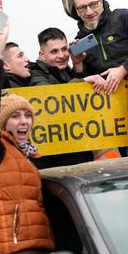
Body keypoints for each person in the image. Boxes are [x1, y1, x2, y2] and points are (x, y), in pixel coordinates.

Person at [0, 14, 55, 254]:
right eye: (16, 116)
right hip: (10, 252)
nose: (24, 122)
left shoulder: (28, 154)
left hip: (36, 248)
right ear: (2, 122)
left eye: (27, 116)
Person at [29, 27, 105, 168]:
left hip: (76, 150)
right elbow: (53, 98)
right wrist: (84, 81)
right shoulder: (37, 74)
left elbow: (80, 98)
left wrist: (77, 63)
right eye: (54, 51)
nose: (62, 55)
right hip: (57, 159)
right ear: (42, 54)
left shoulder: (64, 70)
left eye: (64, 49)